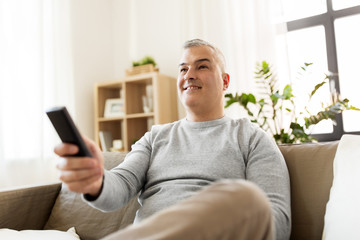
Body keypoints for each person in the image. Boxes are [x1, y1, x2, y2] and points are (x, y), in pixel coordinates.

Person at [55, 39, 291, 240]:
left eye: (202, 66)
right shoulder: (155, 137)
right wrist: (96, 180)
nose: (189, 75)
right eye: (183, 69)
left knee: (248, 199)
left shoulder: (252, 138)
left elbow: (276, 221)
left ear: (225, 81)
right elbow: (121, 185)